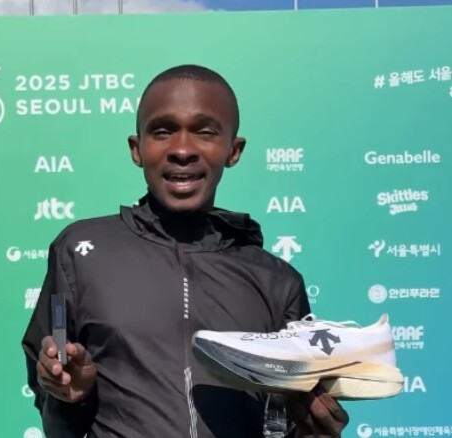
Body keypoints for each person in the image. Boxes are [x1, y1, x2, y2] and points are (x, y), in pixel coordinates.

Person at [22, 65, 350, 437]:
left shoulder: (278, 281)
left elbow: (281, 424)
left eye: (205, 132)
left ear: (233, 150)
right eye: (162, 131)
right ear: (137, 149)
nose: (182, 150)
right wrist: (73, 397)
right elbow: (56, 422)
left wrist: (312, 432)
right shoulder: (80, 253)